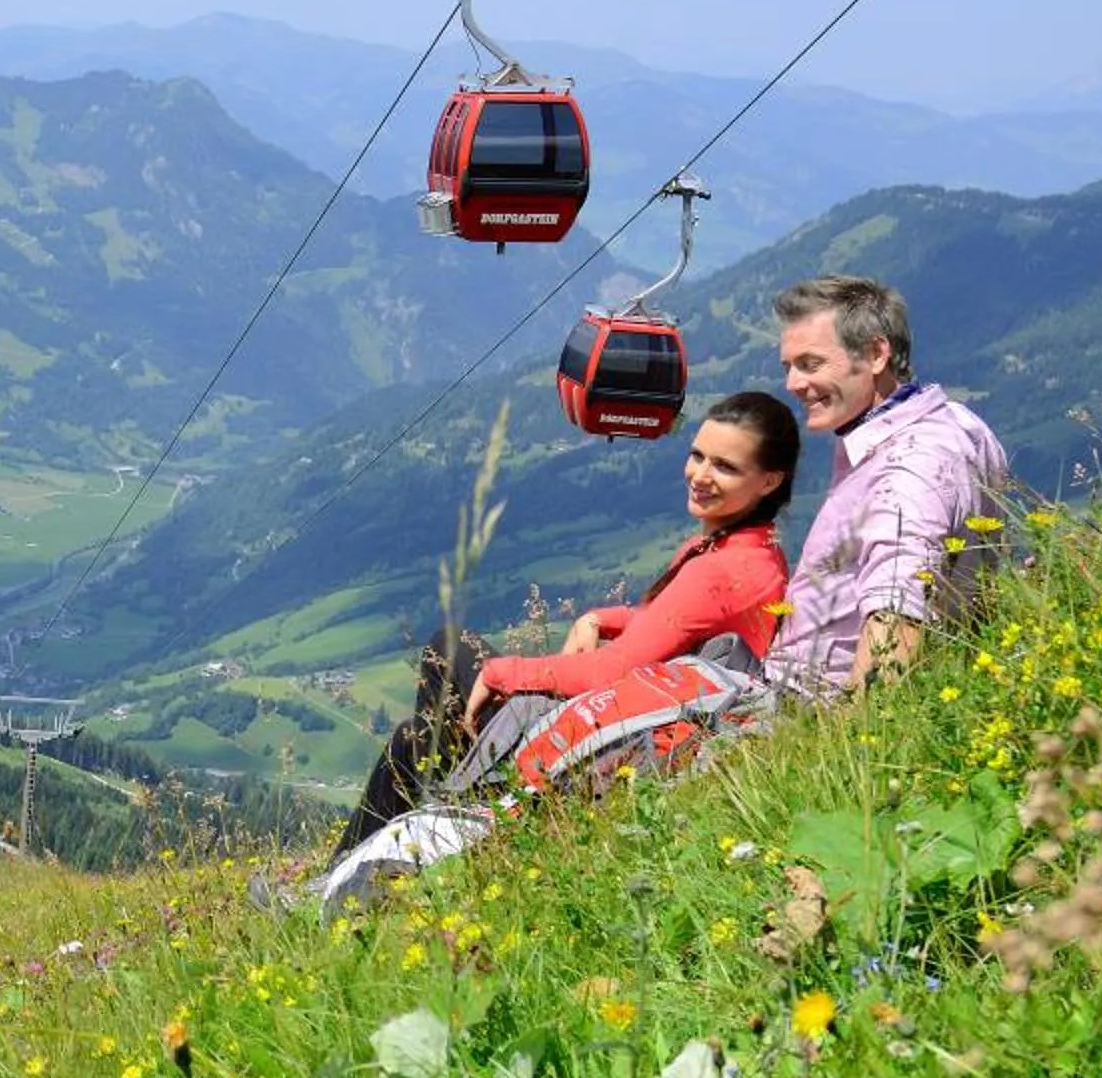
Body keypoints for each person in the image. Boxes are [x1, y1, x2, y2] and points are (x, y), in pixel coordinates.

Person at [333, 390, 801, 850]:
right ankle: (450, 785)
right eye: (698, 455)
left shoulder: (721, 569)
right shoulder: (750, 550)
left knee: (411, 740)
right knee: (448, 648)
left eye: (726, 467)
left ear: (768, 481)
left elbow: (608, 671)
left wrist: (504, 673)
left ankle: (376, 852)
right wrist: (604, 617)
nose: (700, 475)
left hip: (605, 732)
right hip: (639, 711)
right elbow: (678, 622)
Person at [765, 275, 1008, 700]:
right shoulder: (959, 423)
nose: (793, 384)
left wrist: (854, 751)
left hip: (810, 706)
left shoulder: (906, 471)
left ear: (877, 354)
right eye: (788, 367)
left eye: (810, 364)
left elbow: (896, 616)